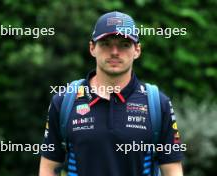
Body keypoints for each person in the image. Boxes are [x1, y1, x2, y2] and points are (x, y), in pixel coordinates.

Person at [39, 11, 184, 176]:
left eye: (124, 44)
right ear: (92, 48)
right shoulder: (64, 100)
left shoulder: (157, 103)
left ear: (137, 50)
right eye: (106, 43)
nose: (114, 51)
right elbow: (48, 168)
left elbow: (172, 169)